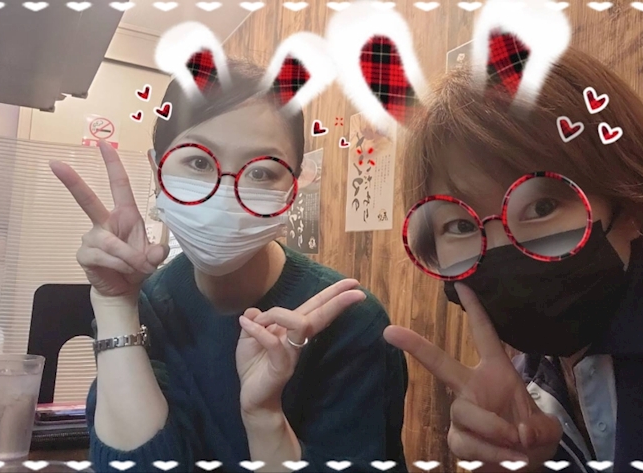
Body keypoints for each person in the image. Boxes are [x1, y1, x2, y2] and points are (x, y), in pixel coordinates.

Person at [327, 1, 643, 472]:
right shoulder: (525, 390)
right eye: (460, 225)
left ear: (628, 199)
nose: (501, 246)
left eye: (542, 207)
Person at [50, 23, 408, 473]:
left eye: (261, 172)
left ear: (293, 188)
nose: (226, 192)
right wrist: (114, 304)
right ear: (157, 171)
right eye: (198, 162)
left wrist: (266, 419)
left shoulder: (347, 322)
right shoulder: (146, 308)